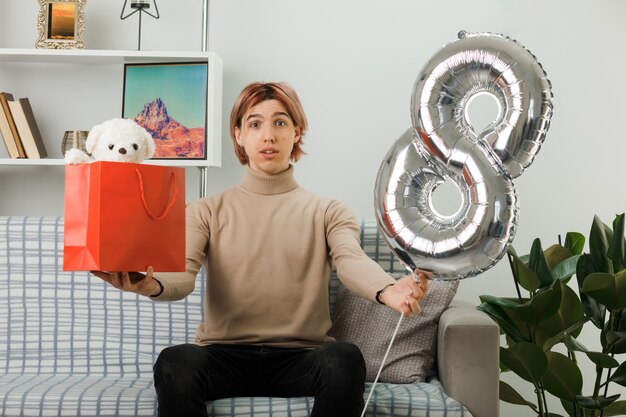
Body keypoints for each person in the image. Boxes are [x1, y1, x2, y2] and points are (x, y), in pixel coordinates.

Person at [92, 81, 430, 417]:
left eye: (280, 122)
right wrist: (150, 284)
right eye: (255, 123)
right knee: (175, 362)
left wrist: (387, 289)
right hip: (223, 357)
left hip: (301, 358)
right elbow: (182, 274)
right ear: (238, 134)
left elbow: (351, 261)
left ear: (297, 132)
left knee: (344, 358)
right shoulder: (205, 210)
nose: (268, 135)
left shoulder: (328, 211)